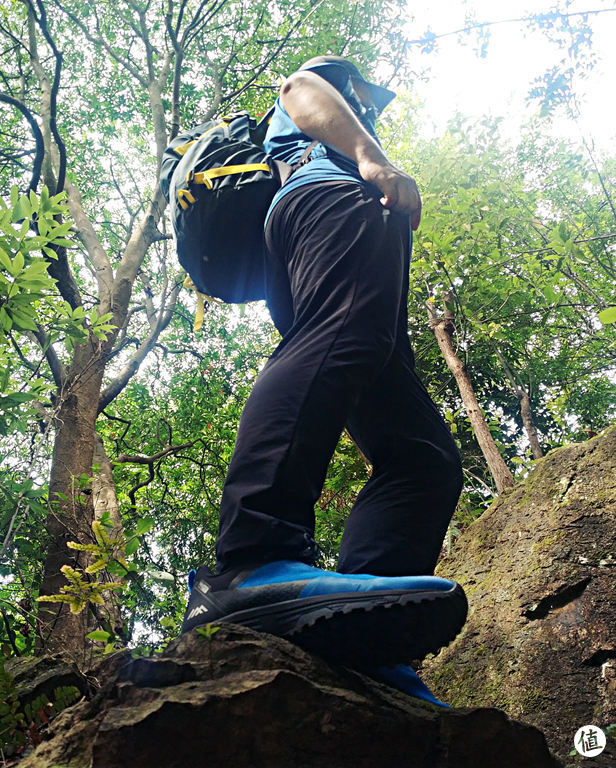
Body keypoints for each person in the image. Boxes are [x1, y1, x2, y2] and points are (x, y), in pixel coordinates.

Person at [181, 56, 465, 707]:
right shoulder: (324, 99)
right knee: (344, 332)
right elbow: (297, 88)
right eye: (367, 96)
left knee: (422, 459)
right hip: (328, 203)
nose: (371, 102)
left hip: (331, 233)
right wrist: (371, 157)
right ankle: (251, 561)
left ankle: (361, 644)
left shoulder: (334, 137)